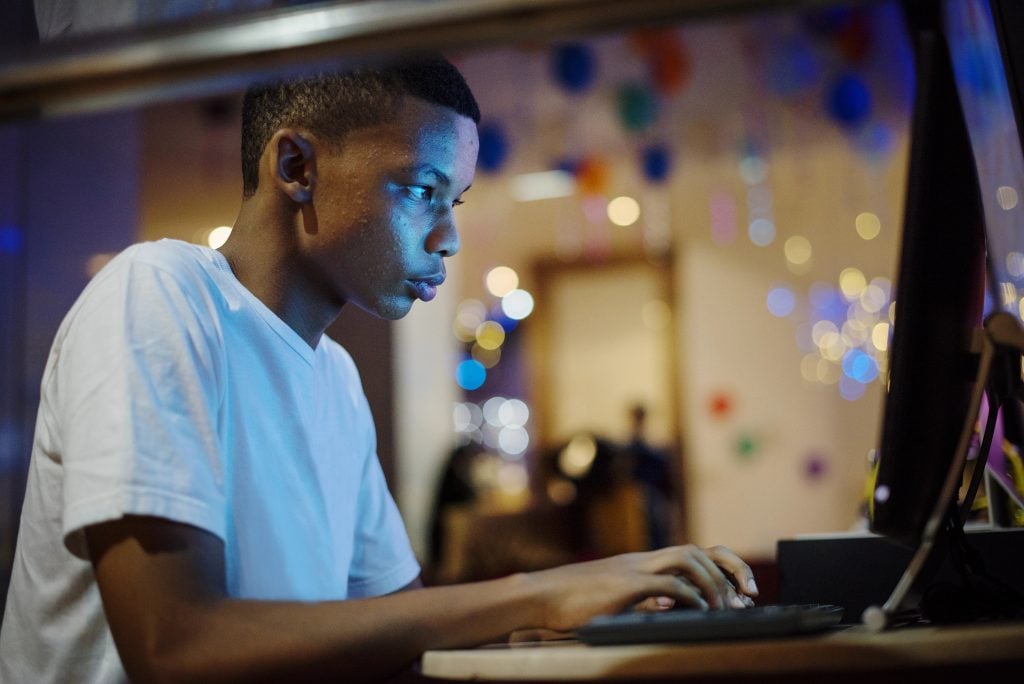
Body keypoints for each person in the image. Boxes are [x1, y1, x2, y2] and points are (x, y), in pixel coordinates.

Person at [0, 56, 758, 683]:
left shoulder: (335, 379)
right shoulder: (158, 295)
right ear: (297, 165)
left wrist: (601, 621)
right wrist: (540, 592)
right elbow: (176, 646)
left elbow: (393, 633)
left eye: (454, 199)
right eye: (422, 191)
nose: (450, 237)